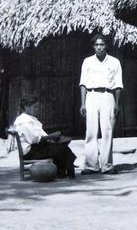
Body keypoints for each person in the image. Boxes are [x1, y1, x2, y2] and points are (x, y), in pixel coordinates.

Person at [79, 34, 123, 175]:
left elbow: (118, 85)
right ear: (93, 46)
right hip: (91, 96)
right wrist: (82, 103)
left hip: (108, 96)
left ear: (106, 46)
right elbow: (83, 84)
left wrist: (116, 104)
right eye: (96, 45)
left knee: (107, 131)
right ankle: (91, 165)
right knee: (91, 131)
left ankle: (107, 166)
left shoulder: (114, 62)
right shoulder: (87, 62)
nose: (99, 47)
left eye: (102, 45)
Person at [12, 97, 76, 178]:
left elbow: (40, 135)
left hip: (35, 147)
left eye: (37, 107)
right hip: (30, 151)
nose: (37, 109)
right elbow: (35, 139)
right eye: (35, 107)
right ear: (26, 107)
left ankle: (62, 171)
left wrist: (53, 138)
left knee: (61, 147)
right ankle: (65, 172)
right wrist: (52, 136)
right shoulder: (24, 121)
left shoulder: (30, 119)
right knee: (61, 149)